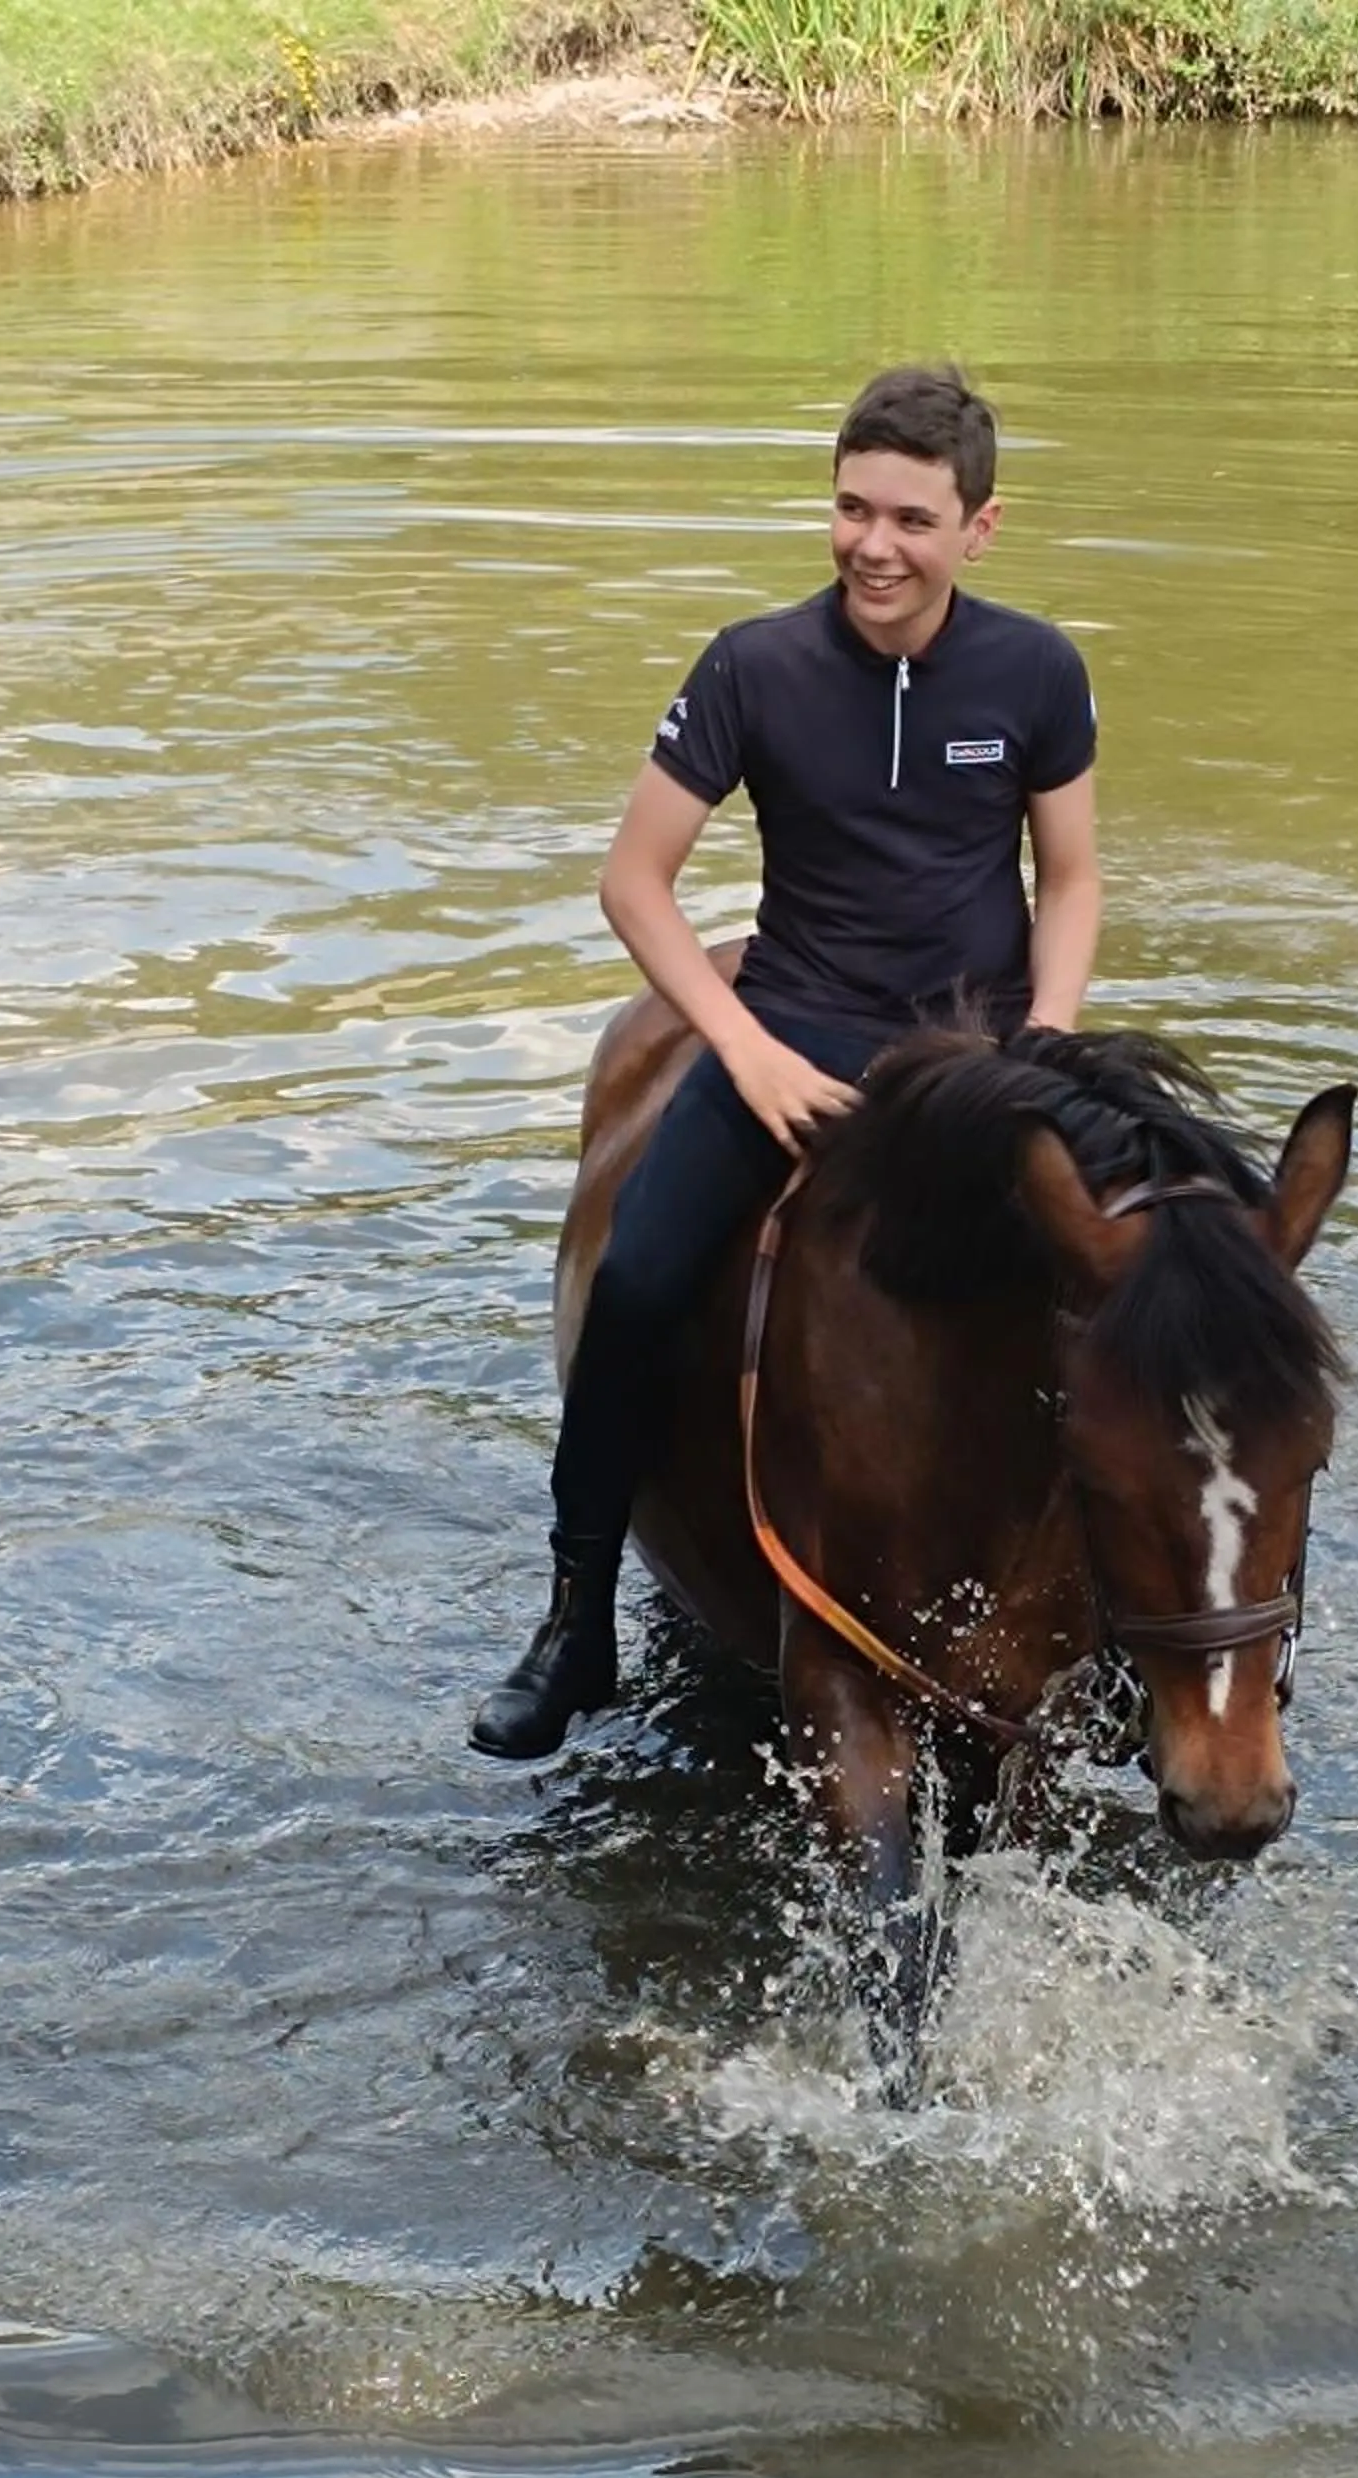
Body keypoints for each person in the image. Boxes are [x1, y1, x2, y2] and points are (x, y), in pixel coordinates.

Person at [469, 364, 1103, 1763]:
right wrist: (743, 1053)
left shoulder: (1036, 671)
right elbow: (634, 882)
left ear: (978, 530)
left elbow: (1067, 881)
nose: (874, 545)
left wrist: (1046, 1040)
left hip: (981, 1056)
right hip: (798, 1035)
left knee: (1170, 1291)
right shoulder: (752, 666)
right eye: (850, 510)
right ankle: (576, 1624)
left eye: (911, 520)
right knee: (636, 1279)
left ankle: (1166, 1646)